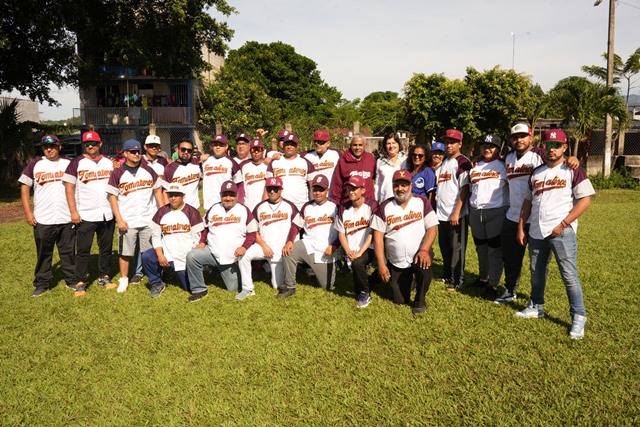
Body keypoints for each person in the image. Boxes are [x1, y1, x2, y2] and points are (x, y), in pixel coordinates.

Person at [515, 129, 595, 340]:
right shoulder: (536, 172)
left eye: (556, 145)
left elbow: (586, 199)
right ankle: (536, 306)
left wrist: (563, 224)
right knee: (537, 272)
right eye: (548, 145)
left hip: (561, 231)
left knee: (569, 275)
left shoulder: (572, 169)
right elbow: (527, 201)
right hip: (536, 230)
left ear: (564, 148)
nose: (551, 149)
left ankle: (578, 316)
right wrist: (521, 226)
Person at [495, 123, 580, 304]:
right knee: (510, 257)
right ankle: (510, 290)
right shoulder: (508, 157)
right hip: (513, 214)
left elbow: (559, 158)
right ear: (510, 140)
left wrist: (573, 158)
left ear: (530, 137)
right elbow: (493, 159)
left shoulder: (540, 154)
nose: (519, 140)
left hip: (536, 217)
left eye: (523, 136)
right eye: (515, 137)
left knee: (539, 263)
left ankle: (537, 298)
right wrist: (478, 157)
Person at [371, 170, 438, 315]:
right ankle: (398, 277)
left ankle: (420, 301)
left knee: (424, 265)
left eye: (404, 185)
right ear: (392, 186)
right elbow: (377, 238)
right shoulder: (384, 207)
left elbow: (432, 227)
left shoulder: (421, 202)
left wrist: (425, 250)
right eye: (397, 185)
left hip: (419, 253)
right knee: (399, 299)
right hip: (397, 261)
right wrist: (381, 265)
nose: (400, 188)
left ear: (411, 186)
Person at [19, 135, 75, 297]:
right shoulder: (35, 164)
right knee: (44, 252)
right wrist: (28, 213)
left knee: (68, 251)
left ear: (59, 147)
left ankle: (71, 280)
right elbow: (24, 188)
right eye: (45, 147)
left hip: (66, 216)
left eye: (52, 146)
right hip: (43, 217)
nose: (49, 149)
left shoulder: (69, 163)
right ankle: (42, 284)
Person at [107, 139, 165, 293]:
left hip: (148, 218)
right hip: (128, 219)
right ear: (125, 153)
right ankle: (124, 279)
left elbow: (158, 189)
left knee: (149, 252)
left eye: (138, 151)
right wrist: (119, 219)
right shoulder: (118, 172)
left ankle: (154, 279)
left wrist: (161, 212)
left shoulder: (148, 169)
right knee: (125, 253)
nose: (136, 154)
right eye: (132, 151)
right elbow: (112, 197)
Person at [63, 130, 116, 297]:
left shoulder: (109, 163)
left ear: (100, 144)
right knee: (83, 249)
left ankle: (104, 276)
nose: (90, 146)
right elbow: (69, 188)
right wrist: (73, 211)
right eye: (87, 144)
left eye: (93, 143)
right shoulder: (76, 163)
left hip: (107, 213)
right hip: (85, 213)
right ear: (83, 145)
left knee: (106, 248)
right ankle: (80, 281)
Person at [186, 181, 258, 302]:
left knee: (233, 287)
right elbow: (205, 228)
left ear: (236, 195)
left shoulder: (244, 210)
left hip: (233, 257)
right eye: (225, 195)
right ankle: (199, 289)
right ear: (220, 195)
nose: (228, 198)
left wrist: (244, 247)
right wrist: (202, 241)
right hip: (213, 252)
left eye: (231, 195)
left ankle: (223, 271)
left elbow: (252, 233)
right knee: (192, 256)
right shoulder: (214, 208)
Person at [277, 175, 339, 298]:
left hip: (326, 250)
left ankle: (316, 270)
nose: (317, 193)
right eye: (315, 189)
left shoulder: (336, 207)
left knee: (327, 286)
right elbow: (295, 225)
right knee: (289, 252)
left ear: (327, 190)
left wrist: (335, 245)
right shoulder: (307, 206)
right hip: (308, 245)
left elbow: (343, 231)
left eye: (321, 189)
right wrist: (290, 241)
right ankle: (290, 286)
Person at [238, 177, 301, 296]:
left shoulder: (289, 206)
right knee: (244, 255)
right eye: (269, 189)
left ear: (281, 190)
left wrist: (290, 242)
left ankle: (269, 266)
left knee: (277, 285)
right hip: (264, 247)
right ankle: (247, 288)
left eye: (275, 189)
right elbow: (253, 230)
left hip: (281, 250)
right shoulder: (259, 207)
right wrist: (263, 246)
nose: (272, 191)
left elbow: (297, 226)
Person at [141, 183, 204, 297]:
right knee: (147, 256)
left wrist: (191, 259)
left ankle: (176, 272)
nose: (173, 198)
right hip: (167, 251)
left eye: (177, 195)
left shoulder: (192, 212)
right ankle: (156, 282)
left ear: (183, 196)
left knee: (188, 288)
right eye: (171, 195)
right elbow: (156, 235)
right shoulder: (162, 211)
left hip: (186, 254)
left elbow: (197, 238)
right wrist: (160, 255)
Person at [468, 134, 509, 298]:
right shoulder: (475, 166)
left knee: (494, 250)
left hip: (496, 211)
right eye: (485, 146)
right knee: (481, 248)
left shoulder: (503, 166)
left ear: (498, 149)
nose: (487, 149)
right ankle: (483, 278)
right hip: (476, 212)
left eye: (491, 146)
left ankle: (493, 285)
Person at [436, 129, 471, 291]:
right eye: (447, 142)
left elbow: (464, 189)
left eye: (452, 142)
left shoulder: (462, 162)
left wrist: (457, 211)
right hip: (442, 214)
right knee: (445, 246)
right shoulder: (444, 162)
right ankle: (447, 274)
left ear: (460, 144)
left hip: (456, 214)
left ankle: (458, 279)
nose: (449, 145)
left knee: (457, 248)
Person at [335, 175, 378, 308]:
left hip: (369, 247)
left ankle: (365, 293)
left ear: (363, 190)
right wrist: (348, 251)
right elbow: (341, 233)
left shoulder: (372, 205)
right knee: (357, 269)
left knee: (357, 263)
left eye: (355, 188)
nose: (351, 191)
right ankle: (367, 280)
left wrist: (360, 252)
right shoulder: (343, 208)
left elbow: (372, 232)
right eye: (350, 188)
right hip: (351, 249)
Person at [266, 132, 315, 210]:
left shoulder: (305, 162)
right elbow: (267, 186)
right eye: (287, 144)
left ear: (297, 146)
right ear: (283, 146)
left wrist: (313, 205)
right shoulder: (274, 162)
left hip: (301, 205)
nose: (289, 147)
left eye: (292, 144)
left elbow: (312, 185)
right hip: (280, 206)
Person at [330, 134, 377, 206]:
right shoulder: (343, 161)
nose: (357, 148)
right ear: (350, 146)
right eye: (355, 145)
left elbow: (376, 178)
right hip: (348, 204)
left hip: (368, 204)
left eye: (360, 145)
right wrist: (336, 205)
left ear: (365, 145)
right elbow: (336, 186)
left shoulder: (370, 159)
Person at [202, 134, 242, 211]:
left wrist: (238, 201)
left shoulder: (232, 162)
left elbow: (239, 184)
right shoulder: (205, 161)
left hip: (227, 203)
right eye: (215, 145)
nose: (218, 147)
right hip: (209, 204)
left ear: (226, 146)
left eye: (221, 145)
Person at [163, 139, 202, 209]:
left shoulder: (196, 163)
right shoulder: (169, 168)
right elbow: (165, 191)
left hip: (194, 208)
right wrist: (167, 211)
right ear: (178, 149)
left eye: (189, 150)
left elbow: (206, 157)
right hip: (177, 209)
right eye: (183, 149)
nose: (186, 152)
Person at [374, 132, 407, 202]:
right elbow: (378, 183)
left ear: (398, 144)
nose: (391, 146)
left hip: (402, 200)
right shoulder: (380, 161)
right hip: (385, 199)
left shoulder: (405, 160)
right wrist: (376, 199)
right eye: (388, 143)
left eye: (394, 143)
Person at [238, 138, 268, 211]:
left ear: (263, 151)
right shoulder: (244, 167)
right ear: (250, 151)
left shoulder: (267, 166)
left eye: (259, 149)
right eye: (253, 150)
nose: (256, 152)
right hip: (248, 207)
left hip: (264, 207)